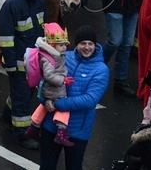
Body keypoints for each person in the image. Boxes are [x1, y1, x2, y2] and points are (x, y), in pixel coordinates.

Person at [38, 24, 109, 170]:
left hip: (77, 131)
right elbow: (43, 82)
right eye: (83, 43)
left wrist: (58, 103)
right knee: (46, 166)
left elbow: (90, 100)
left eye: (91, 44)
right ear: (76, 44)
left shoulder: (101, 70)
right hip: (51, 125)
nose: (87, 47)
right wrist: (45, 100)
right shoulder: (64, 57)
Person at [0, 0, 47, 149]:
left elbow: (43, 31)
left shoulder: (40, 1)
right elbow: (5, 38)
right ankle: (21, 134)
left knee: (25, 93)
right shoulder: (12, 5)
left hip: (34, 62)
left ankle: (6, 115)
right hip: (18, 63)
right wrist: (10, 64)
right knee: (23, 98)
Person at [26, 23, 75, 147]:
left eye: (65, 45)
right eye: (61, 45)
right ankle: (61, 131)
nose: (64, 48)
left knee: (44, 106)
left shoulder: (52, 54)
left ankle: (34, 127)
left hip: (48, 88)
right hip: (54, 87)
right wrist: (63, 80)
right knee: (63, 107)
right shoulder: (49, 58)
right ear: (52, 45)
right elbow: (49, 75)